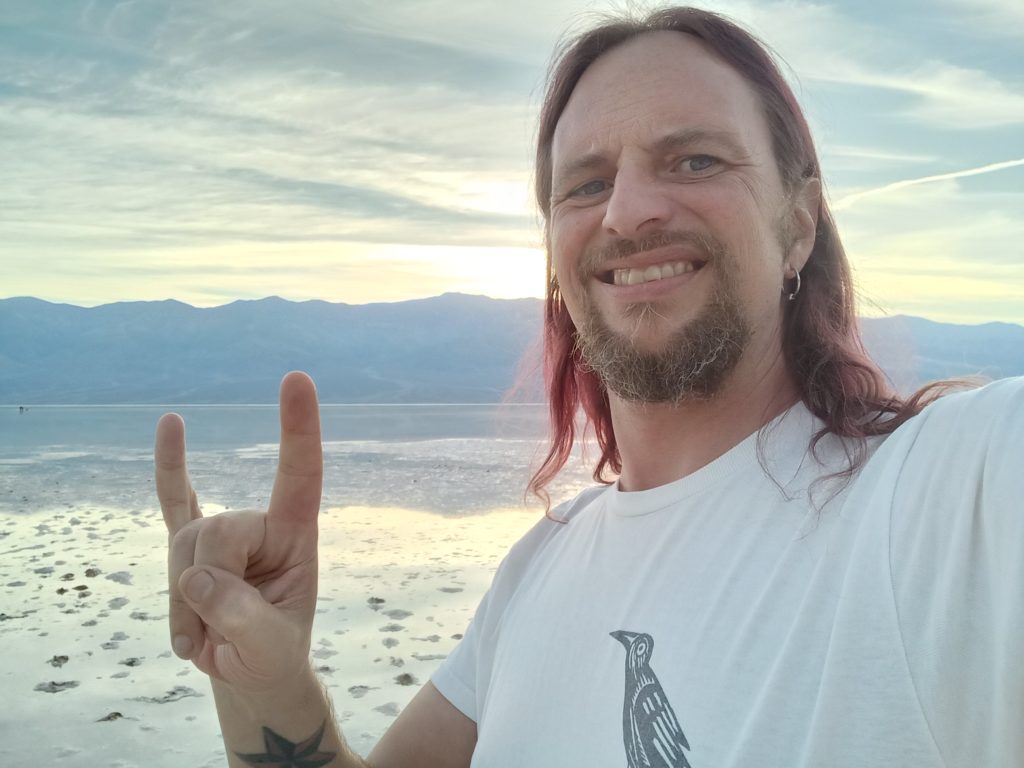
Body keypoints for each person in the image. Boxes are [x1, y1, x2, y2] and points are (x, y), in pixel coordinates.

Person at [155, 7, 1024, 767]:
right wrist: (266, 688)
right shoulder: (541, 568)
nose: (627, 211)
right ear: (555, 260)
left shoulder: (944, 495)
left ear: (797, 225)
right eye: (587, 183)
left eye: (694, 162)